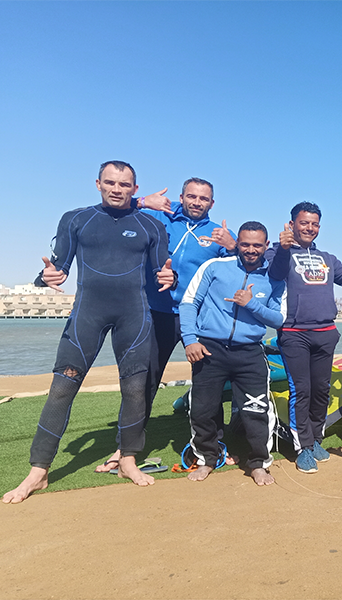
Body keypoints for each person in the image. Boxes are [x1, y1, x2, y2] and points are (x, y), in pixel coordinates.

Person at [3, 161, 177, 504]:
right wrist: (45, 278)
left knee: (135, 390)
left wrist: (169, 279)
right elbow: (58, 268)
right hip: (88, 315)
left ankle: (128, 459)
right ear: (98, 183)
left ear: (134, 188)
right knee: (61, 389)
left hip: (135, 317)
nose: (117, 189)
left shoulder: (152, 227)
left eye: (124, 184)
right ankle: (39, 470)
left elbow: (163, 272)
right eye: (110, 182)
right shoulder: (76, 219)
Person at [95, 177, 236, 473]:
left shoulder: (219, 234)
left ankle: (214, 445)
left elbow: (245, 267)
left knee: (208, 385)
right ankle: (125, 447)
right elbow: (113, 209)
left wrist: (232, 246)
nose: (197, 202)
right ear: (182, 197)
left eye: (204, 198)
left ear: (212, 203)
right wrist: (142, 201)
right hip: (156, 312)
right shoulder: (159, 217)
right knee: (143, 383)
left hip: (198, 318)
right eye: (192, 196)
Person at [267, 202, 342, 474]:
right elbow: (274, 274)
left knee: (321, 390)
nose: (309, 228)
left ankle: (316, 439)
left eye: (314, 224)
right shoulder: (278, 252)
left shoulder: (327, 258)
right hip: (294, 333)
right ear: (292, 223)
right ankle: (302, 447)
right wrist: (284, 249)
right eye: (304, 222)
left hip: (325, 332)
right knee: (301, 390)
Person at [179, 221, 283, 485]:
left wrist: (252, 304)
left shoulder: (274, 277)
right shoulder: (215, 267)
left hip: (249, 352)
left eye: (257, 245)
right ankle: (206, 458)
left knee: (256, 409)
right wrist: (190, 339)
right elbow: (190, 302)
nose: (250, 250)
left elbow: (280, 318)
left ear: (266, 246)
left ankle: (258, 462)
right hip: (209, 348)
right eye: (245, 244)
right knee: (203, 409)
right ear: (237, 243)